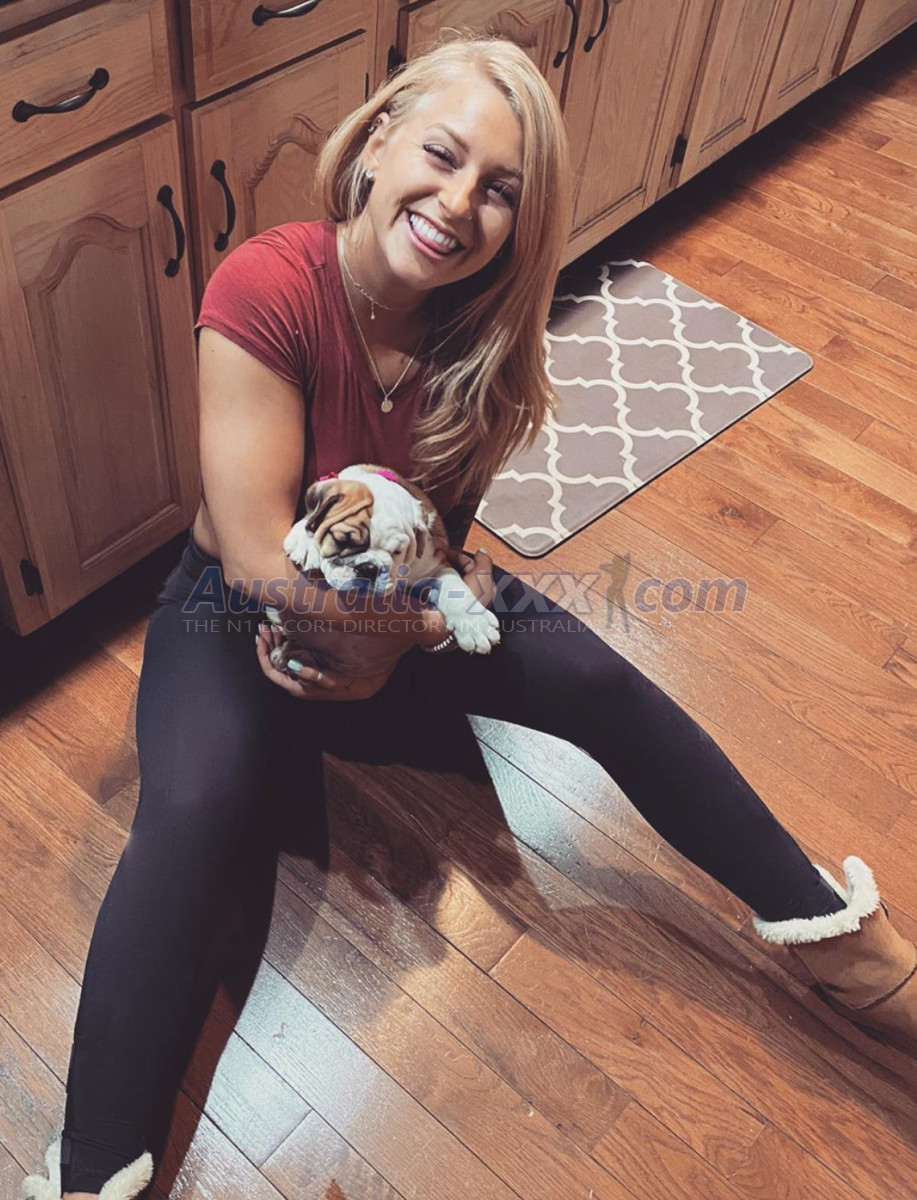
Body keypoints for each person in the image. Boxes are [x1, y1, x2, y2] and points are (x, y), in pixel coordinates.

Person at [25, 28, 916, 1200]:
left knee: (597, 678)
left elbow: (438, 542)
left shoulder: (483, 331)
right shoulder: (265, 285)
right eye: (441, 156)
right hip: (233, 619)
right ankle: (88, 1177)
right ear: (377, 140)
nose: (457, 204)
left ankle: (840, 945)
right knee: (193, 807)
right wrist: (413, 638)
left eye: (498, 189)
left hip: (405, 603)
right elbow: (253, 559)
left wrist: (402, 641)